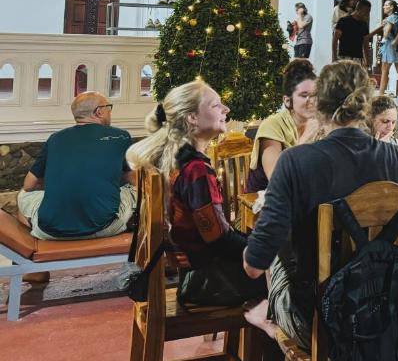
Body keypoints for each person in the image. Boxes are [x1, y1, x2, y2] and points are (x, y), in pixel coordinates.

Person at [242, 61, 398, 350]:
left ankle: (270, 323)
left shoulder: (296, 161)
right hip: (390, 310)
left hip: (319, 320)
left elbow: (253, 266)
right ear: (366, 106)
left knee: (274, 255)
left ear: (319, 105)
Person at [127, 80, 265, 306]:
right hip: (210, 282)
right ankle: (265, 326)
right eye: (216, 105)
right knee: (294, 279)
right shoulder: (195, 169)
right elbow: (219, 240)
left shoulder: (176, 159)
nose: (226, 110)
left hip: (197, 276)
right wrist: (264, 246)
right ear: (192, 117)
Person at [17, 91, 135, 241]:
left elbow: (29, 184)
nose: (109, 112)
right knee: (136, 189)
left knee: (23, 195)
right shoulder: (121, 136)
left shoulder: (55, 139)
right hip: (105, 227)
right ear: (99, 112)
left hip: (49, 231)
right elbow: (132, 177)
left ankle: (29, 237)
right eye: (108, 108)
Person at [244, 59, 319, 193]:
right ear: (287, 100)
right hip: (267, 204)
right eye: (304, 95)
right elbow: (276, 179)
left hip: (303, 196)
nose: (312, 101)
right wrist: (307, 137)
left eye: (315, 95)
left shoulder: (320, 124)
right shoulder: (272, 125)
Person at [368, 0, 398, 96]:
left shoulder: (390, 18)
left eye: (386, 5)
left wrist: (383, 38)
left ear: (391, 7)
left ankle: (381, 93)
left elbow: (387, 30)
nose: (384, 7)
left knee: (385, 70)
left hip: (389, 45)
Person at [333, 0, 371, 64]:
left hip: (358, 58)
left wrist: (367, 61)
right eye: (367, 11)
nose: (367, 14)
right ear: (359, 9)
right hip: (343, 57)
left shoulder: (364, 24)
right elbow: (335, 40)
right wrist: (334, 57)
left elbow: (365, 43)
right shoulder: (343, 21)